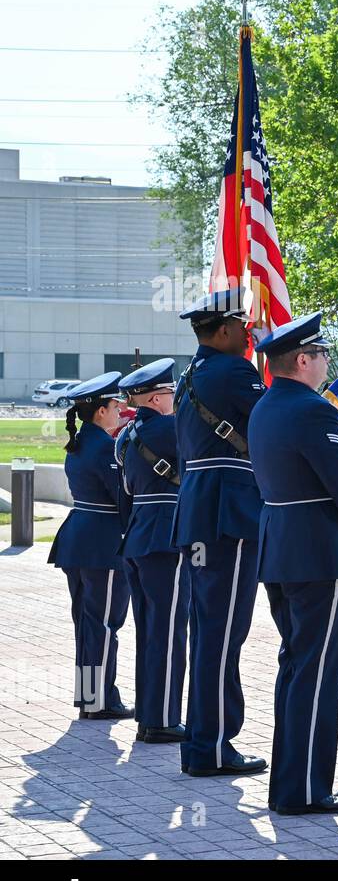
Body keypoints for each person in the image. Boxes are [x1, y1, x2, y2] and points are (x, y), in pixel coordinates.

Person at [248, 313, 338, 815]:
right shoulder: (315, 411)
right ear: (303, 360)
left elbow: (302, 468)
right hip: (317, 553)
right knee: (318, 674)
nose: (327, 362)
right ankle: (305, 791)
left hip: (282, 549)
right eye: (323, 354)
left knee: (296, 668)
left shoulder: (267, 406)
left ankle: (292, 785)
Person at [173, 288, 267, 778]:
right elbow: (269, 426)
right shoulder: (234, 372)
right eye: (245, 327)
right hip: (227, 514)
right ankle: (210, 746)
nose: (250, 335)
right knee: (221, 634)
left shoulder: (189, 376)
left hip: (199, 513)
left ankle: (203, 742)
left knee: (209, 631)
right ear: (226, 329)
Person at [49, 372, 133, 721]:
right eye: (116, 405)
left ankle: (90, 696)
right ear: (101, 411)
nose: (120, 411)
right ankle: (99, 699)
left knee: (88, 625)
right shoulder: (103, 447)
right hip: (103, 543)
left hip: (80, 539)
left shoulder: (82, 443)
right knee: (103, 624)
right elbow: (122, 495)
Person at [116, 359, 189, 742]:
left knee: (149, 631)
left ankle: (149, 713)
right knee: (169, 630)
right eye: (171, 393)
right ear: (159, 397)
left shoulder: (127, 436)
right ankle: (161, 720)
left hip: (138, 537)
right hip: (166, 538)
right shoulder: (170, 429)